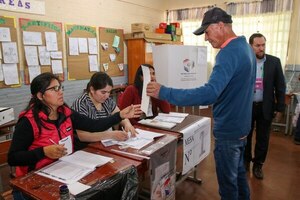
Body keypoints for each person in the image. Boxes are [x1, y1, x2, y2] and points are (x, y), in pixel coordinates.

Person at [146, 7, 256, 200]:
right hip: (241, 129)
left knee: (229, 187)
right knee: (239, 178)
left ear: (220, 26)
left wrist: (165, 92)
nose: (205, 38)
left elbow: (209, 93)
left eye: (207, 31)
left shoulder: (228, 53)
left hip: (229, 132)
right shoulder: (246, 48)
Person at [7, 72, 141, 199]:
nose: (60, 92)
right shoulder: (28, 121)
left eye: (60, 87)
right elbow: (13, 158)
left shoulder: (65, 113)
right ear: (40, 96)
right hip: (33, 182)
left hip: (63, 171)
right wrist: (43, 152)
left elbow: (93, 125)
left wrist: (120, 115)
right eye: (54, 89)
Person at [244, 33, 286, 179]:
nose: (261, 48)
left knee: (263, 138)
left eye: (263, 45)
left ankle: (258, 165)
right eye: (258, 46)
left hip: (265, 107)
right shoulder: (245, 61)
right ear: (251, 46)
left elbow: (280, 86)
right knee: (246, 136)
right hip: (247, 107)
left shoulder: (274, 62)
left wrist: (280, 108)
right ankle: (245, 162)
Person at [72, 72, 137, 150]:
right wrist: (111, 135)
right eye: (103, 92)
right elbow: (83, 136)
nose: (107, 96)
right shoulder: (81, 104)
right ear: (92, 89)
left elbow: (120, 115)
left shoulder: (107, 101)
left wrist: (127, 124)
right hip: (88, 148)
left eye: (109, 92)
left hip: (106, 145)